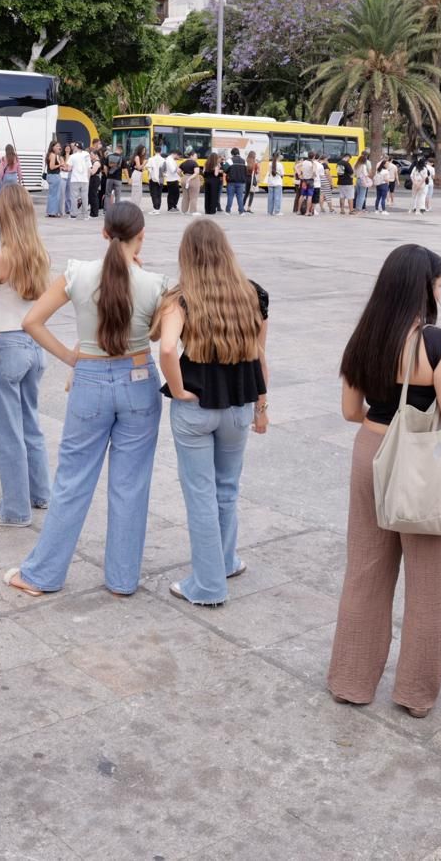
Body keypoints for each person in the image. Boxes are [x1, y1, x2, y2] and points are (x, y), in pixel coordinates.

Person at [328, 244, 441, 717]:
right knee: (430, 583)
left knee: (366, 572)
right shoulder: (436, 343)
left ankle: (351, 680)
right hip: (421, 462)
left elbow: (351, 411)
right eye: (439, 282)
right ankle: (414, 693)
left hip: (370, 452)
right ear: (424, 287)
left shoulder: (362, 337)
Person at [5, 201, 166, 597]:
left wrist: (70, 356)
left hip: (91, 378)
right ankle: (122, 579)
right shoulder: (154, 283)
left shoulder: (77, 274)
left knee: (73, 481)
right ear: (141, 237)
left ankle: (42, 575)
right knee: (131, 485)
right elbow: (159, 337)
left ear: (103, 233)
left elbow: (30, 321)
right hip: (139, 377)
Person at [155, 219, 272, 605]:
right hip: (239, 405)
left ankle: (207, 585)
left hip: (196, 407)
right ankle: (224, 562)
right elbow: (259, 354)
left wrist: (176, 388)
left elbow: (168, 348)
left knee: (200, 494)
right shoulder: (252, 294)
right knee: (226, 489)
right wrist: (262, 405)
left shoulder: (182, 298)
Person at [0, 184, 53, 526]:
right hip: (34, 346)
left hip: (6, 345)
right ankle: (40, 493)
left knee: (6, 430)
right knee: (30, 424)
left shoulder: (1, 256)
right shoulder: (39, 253)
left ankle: (15, 509)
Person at [66, 141, 91, 219]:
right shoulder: (87, 155)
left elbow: (69, 168)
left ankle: (73, 215)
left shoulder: (72, 156)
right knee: (85, 197)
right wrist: (88, 178)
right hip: (85, 180)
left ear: (76, 147)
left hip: (75, 179)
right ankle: (86, 216)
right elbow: (89, 168)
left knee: (74, 197)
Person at [46, 141, 66, 218]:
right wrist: (60, 164)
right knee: (55, 195)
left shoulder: (50, 154)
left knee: (52, 195)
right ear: (53, 147)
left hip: (51, 176)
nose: (59, 147)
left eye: (59, 146)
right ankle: (53, 212)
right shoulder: (53, 155)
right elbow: (52, 167)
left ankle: (50, 211)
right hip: (54, 176)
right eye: (57, 146)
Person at [223, 150, 248, 215]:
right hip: (241, 182)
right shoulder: (244, 161)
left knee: (230, 196)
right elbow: (246, 172)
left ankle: (228, 211)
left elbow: (224, 169)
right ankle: (241, 211)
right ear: (238, 153)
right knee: (240, 197)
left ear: (232, 154)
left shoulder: (230, 160)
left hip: (231, 182)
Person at [179, 150, 201, 215]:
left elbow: (178, 171)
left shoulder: (184, 162)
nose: (196, 157)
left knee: (185, 196)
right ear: (191, 156)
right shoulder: (195, 163)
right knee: (193, 196)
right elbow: (196, 172)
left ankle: (184, 211)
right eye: (195, 156)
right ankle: (193, 211)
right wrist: (190, 178)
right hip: (193, 180)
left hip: (184, 179)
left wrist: (183, 176)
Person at [265, 151, 285, 216]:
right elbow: (282, 174)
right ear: (278, 157)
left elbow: (268, 173)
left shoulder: (269, 164)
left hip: (270, 182)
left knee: (270, 198)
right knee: (277, 198)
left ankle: (269, 212)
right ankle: (277, 211)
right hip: (278, 183)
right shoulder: (280, 164)